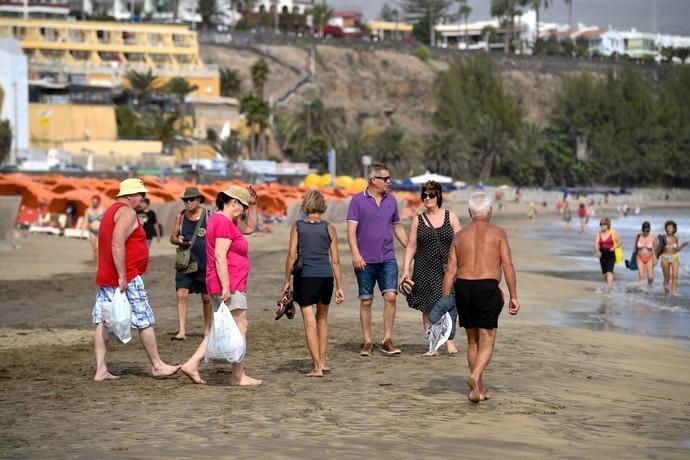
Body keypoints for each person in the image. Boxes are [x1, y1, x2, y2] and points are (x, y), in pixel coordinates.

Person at [91, 178, 179, 381]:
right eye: (141, 194)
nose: (143, 198)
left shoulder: (111, 212)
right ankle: (157, 365)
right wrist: (122, 275)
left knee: (103, 321)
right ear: (130, 196)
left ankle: (101, 369)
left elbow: (107, 241)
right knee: (144, 319)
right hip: (126, 276)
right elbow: (116, 242)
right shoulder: (127, 212)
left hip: (108, 276)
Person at [441, 192, 519, 403]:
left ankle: (478, 388)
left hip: (463, 287)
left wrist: (445, 299)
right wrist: (513, 296)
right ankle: (475, 376)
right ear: (490, 211)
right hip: (486, 287)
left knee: (472, 340)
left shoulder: (460, 236)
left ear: (470, 212)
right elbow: (508, 266)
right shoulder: (498, 233)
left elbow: (450, 271)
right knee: (488, 339)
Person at [181, 185, 261, 386]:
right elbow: (219, 255)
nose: (243, 211)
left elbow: (250, 228)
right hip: (229, 282)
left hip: (226, 281)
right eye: (242, 206)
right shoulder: (223, 222)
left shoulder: (224, 220)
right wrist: (226, 286)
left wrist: (252, 205)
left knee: (220, 328)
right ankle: (238, 376)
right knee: (241, 325)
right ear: (233, 202)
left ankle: (192, 364)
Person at [347, 163, 408, 357]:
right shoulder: (357, 201)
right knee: (366, 301)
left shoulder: (391, 201)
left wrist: (410, 246)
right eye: (385, 179)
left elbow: (397, 227)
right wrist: (356, 254)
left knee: (391, 297)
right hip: (364, 260)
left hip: (387, 258)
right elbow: (351, 231)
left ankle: (387, 340)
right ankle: (367, 341)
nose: (389, 182)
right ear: (374, 180)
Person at [282, 190, 345, 377]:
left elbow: (291, 255)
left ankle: (317, 367)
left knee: (310, 323)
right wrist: (340, 287)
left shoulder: (297, 227)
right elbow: (336, 261)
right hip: (326, 278)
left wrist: (286, 280)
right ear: (322, 206)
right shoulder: (329, 228)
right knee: (323, 320)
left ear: (305, 205)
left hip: (305, 278)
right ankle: (323, 362)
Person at [401, 180, 461, 356]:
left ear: (438, 197)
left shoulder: (451, 217)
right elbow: (411, 246)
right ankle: (432, 345)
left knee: (446, 304)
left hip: (446, 269)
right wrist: (405, 270)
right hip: (424, 269)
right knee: (427, 307)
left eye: (431, 195)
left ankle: (449, 341)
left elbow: (461, 242)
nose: (427, 198)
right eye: (424, 195)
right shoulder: (417, 220)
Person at [170, 187, 212, 341]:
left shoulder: (209, 216)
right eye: (185, 200)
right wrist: (179, 240)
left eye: (191, 199)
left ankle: (207, 330)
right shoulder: (180, 217)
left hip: (205, 262)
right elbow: (172, 238)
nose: (188, 202)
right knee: (181, 293)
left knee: (206, 297)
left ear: (199, 200)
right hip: (185, 261)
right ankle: (181, 330)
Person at [658, 220, 688, 296]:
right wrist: (656, 258)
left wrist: (682, 245)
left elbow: (677, 249)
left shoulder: (675, 238)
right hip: (665, 257)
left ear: (674, 229)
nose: (669, 229)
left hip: (675, 257)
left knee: (675, 276)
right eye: (667, 228)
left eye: (670, 228)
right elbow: (658, 250)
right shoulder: (663, 238)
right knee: (667, 277)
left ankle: (674, 293)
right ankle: (665, 291)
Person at [594, 217, 622, 289]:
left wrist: (614, 247)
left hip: (610, 253)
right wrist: (597, 252)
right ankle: (608, 285)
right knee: (604, 274)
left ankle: (609, 288)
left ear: (608, 225)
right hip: (602, 254)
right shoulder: (599, 234)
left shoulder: (612, 233)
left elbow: (620, 242)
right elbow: (596, 244)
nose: (602, 226)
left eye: (604, 224)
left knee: (609, 272)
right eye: (601, 224)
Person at [82, 195, 105, 262]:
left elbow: (106, 221)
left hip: (100, 231)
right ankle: (95, 259)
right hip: (91, 231)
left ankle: (99, 262)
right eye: (93, 202)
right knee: (94, 248)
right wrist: (82, 232)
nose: (94, 203)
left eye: (95, 202)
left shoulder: (103, 210)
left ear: (99, 202)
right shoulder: (88, 210)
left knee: (98, 247)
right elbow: (86, 221)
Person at [634, 221, 657, 286]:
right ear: (642, 229)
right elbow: (635, 248)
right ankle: (642, 290)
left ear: (649, 229)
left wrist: (656, 259)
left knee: (650, 277)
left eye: (647, 231)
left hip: (649, 258)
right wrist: (632, 260)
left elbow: (655, 249)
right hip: (639, 258)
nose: (646, 232)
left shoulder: (653, 237)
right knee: (641, 276)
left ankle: (650, 288)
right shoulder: (638, 237)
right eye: (644, 231)